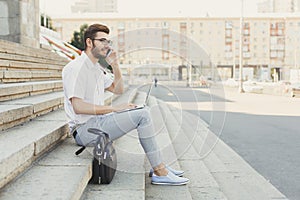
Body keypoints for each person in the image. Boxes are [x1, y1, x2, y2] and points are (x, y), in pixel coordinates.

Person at [62, 23, 189, 185]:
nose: (106, 45)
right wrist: (115, 108)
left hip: (97, 123)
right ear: (89, 42)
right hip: (84, 130)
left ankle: (159, 166)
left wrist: (115, 65)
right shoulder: (76, 68)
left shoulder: (96, 68)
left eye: (108, 41)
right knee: (142, 115)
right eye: (102, 41)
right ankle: (160, 171)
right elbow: (78, 107)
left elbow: (118, 89)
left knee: (143, 110)